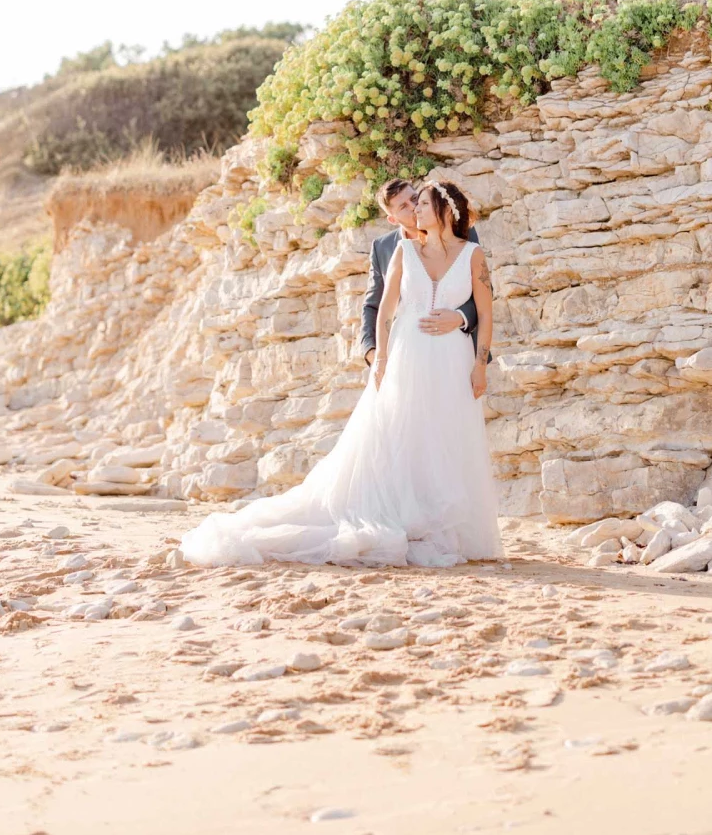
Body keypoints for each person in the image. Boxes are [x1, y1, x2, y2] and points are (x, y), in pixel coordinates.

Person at [181, 179, 502, 568]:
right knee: (400, 435)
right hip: (407, 355)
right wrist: (378, 357)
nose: (415, 209)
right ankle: (407, 516)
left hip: (452, 356)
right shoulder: (398, 249)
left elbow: (484, 310)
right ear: (392, 214)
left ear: (443, 211)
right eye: (408, 205)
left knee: (447, 436)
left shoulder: (471, 251)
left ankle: (449, 525)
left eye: (421, 203)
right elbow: (380, 309)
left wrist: (479, 363)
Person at [360, 178, 482, 372]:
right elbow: (373, 304)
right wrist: (373, 353)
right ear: (393, 219)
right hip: (405, 356)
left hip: (457, 350)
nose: (414, 206)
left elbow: (483, 290)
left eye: (415, 198)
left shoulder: (460, 229)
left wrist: (461, 317)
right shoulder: (383, 247)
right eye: (403, 206)